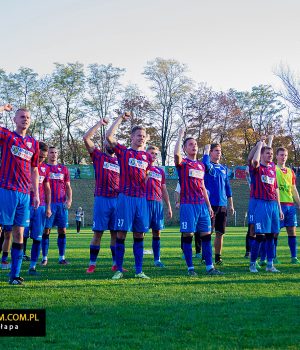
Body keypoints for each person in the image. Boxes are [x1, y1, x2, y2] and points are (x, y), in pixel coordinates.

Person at [106, 112, 152, 280]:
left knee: (139, 234)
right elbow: (109, 136)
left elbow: (145, 176)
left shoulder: (148, 157)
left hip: (141, 200)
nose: (141, 138)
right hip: (125, 198)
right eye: (138, 135)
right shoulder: (124, 152)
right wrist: (120, 119)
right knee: (121, 234)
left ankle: (139, 270)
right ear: (132, 137)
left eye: (144, 136)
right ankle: (118, 269)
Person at [174, 128, 223, 276]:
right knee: (188, 236)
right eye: (190, 144)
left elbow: (202, 186)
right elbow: (176, 155)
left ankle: (210, 267)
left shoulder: (201, 165)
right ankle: (190, 269)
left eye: (195, 144)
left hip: (202, 206)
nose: (194, 146)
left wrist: (208, 206)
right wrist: (180, 136)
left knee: (207, 236)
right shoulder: (183, 163)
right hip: (188, 205)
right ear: (184, 148)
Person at [0, 104, 40, 285]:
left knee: (19, 234)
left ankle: (14, 276)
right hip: (6, 189)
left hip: (25, 194)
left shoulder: (34, 144)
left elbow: (34, 170)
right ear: (14, 120)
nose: (25, 119)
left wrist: (36, 193)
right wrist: (2, 108)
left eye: (28, 117)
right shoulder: (8, 137)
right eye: (22, 117)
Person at [83, 119, 128, 273]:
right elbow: (86, 138)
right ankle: (92, 264)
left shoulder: (121, 161)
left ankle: (116, 264)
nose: (111, 144)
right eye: (108, 141)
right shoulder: (98, 156)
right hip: (102, 199)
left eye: (113, 142)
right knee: (98, 233)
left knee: (115, 233)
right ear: (104, 144)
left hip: (117, 200)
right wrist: (99, 124)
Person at [248, 140, 283, 273]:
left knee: (271, 236)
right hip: (261, 204)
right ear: (262, 155)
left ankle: (270, 264)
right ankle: (252, 264)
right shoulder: (257, 168)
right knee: (260, 236)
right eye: (268, 153)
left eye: (272, 153)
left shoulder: (273, 168)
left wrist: (279, 208)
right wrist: (259, 146)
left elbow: (276, 189)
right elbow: (254, 160)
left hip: (273, 204)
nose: (270, 155)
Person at [202, 144, 234, 265]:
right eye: (216, 151)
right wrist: (205, 151)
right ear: (210, 152)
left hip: (222, 205)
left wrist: (231, 204)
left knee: (220, 233)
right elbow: (205, 164)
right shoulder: (208, 166)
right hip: (210, 204)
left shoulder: (224, 168)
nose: (218, 153)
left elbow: (228, 187)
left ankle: (218, 257)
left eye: (220, 151)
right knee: (207, 232)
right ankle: (205, 256)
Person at [23, 141, 52, 275]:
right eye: (39, 156)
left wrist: (48, 207)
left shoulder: (46, 169)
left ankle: (32, 267)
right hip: (25, 205)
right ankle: (16, 262)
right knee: (20, 235)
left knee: (37, 238)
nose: (41, 159)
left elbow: (47, 189)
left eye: (43, 157)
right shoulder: (25, 165)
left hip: (40, 207)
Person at [41, 146, 72, 265]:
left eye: (55, 152)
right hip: (48, 204)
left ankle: (61, 258)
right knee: (46, 231)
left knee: (62, 230)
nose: (53, 155)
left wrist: (69, 200)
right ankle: (44, 258)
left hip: (61, 204)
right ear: (47, 154)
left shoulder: (63, 169)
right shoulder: (43, 168)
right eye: (51, 153)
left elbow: (68, 187)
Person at [146, 145, 172, 267]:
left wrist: (169, 206)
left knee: (157, 232)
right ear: (146, 153)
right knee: (140, 232)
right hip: (144, 202)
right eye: (151, 153)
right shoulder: (142, 167)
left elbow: (164, 189)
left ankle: (157, 259)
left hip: (157, 203)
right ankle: (139, 258)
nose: (154, 155)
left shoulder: (160, 171)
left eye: (156, 154)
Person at [274, 147, 300, 264]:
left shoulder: (291, 171)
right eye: (281, 155)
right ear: (276, 156)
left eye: (285, 155)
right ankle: (273, 256)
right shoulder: (273, 169)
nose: (283, 157)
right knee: (275, 231)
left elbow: (294, 189)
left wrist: (298, 203)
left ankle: (294, 257)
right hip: (278, 205)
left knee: (292, 231)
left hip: (290, 205)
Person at [175, 182, 202, 259]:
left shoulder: (198, 179)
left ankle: (198, 252)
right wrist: (177, 202)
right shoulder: (182, 179)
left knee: (198, 230)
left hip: (197, 206)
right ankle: (185, 252)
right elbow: (177, 191)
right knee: (185, 230)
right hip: (186, 207)